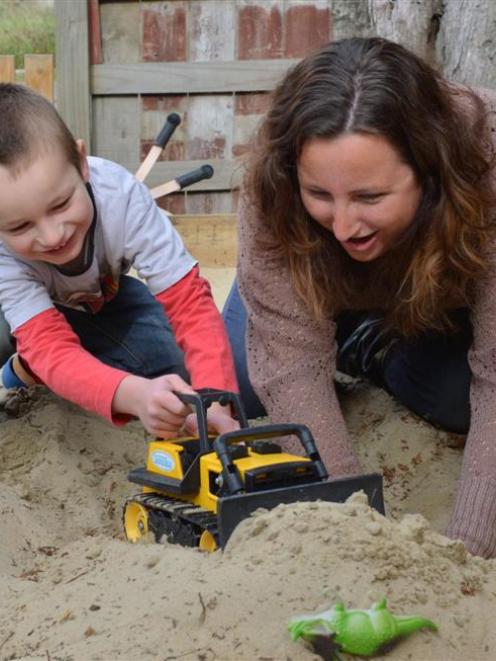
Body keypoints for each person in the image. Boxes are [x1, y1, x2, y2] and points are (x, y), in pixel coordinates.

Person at [222, 37, 496, 558]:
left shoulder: (486, 157)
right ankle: (350, 332)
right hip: (311, 291)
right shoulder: (275, 182)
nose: (343, 226)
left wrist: (468, 553)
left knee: (457, 399)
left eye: (370, 197)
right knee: (246, 386)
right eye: (320, 195)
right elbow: (290, 365)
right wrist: (355, 527)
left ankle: (374, 348)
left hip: (438, 292)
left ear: (430, 171)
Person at [0, 83, 239, 439]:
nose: (52, 236)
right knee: (50, 357)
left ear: (81, 163)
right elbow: (48, 344)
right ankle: (21, 367)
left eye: (61, 205)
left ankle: (44, 368)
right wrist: (134, 395)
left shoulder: (123, 197)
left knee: (175, 374)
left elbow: (189, 303)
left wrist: (216, 399)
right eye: (20, 226)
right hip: (17, 320)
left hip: (102, 303)